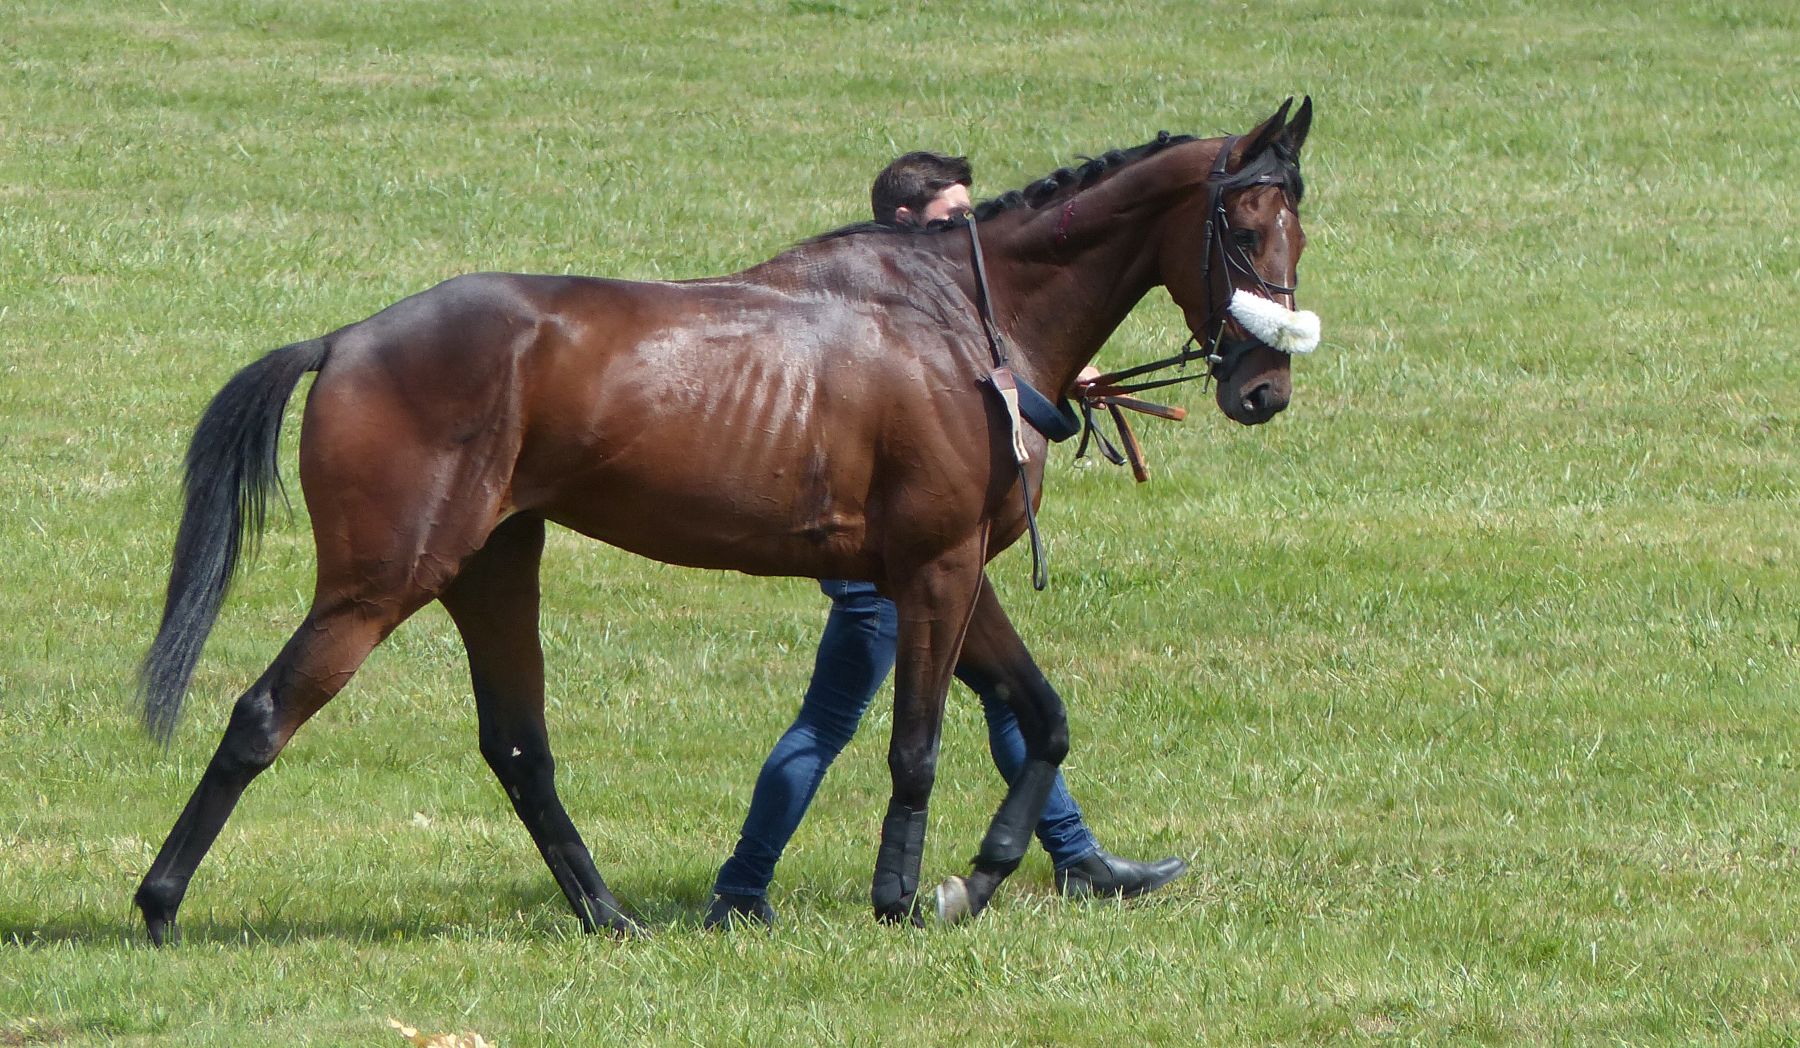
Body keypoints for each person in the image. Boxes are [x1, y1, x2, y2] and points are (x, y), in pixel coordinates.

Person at [705, 152, 1186, 929]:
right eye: (949, 221)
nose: (968, 233)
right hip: (886, 562)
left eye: (970, 215)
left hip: (938, 551)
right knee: (827, 722)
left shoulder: (949, 302)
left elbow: (985, 365)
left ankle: (1075, 857)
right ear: (903, 225)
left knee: (1008, 703)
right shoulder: (890, 300)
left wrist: (1069, 374)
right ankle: (739, 888)